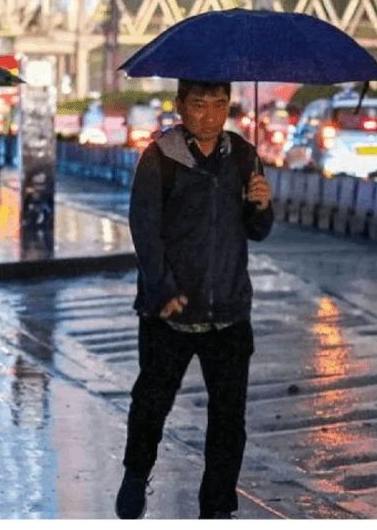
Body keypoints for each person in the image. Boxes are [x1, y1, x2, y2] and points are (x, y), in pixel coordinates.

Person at [115, 79, 273, 520]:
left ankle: (216, 510)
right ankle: (135, 472)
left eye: (219, 105)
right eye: (199, 105)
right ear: (180, 106)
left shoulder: (244, 156)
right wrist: (162, 291)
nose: (209, 115)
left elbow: (258, 231)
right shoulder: (160, 158)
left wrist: (262, 205)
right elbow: (144, 231)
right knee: (152, 402)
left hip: (229, 312)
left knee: (228, 420)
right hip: (172, 311)